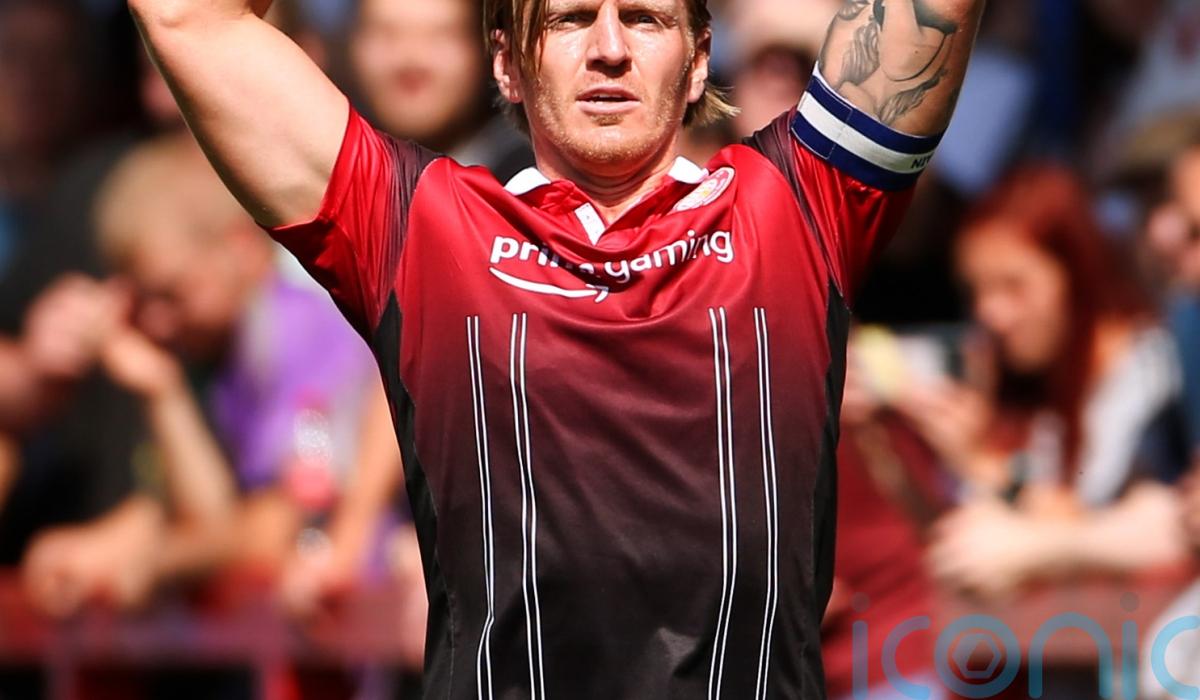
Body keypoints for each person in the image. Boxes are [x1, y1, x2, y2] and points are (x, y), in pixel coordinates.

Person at [131, 0, 985, 695]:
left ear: (698, 61)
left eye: (645, 19)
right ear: (507, 62)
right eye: (570, 19)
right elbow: (186, 17)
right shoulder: (420, 230)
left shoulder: (798, 208)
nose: (609, 49)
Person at [892, 166, 1191, 600]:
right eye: (977, 291)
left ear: (1075, 274)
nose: (991, 313)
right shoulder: (1014, 377)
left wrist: (981, 464)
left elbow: (1118, 522)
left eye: (1013, 286)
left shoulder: (1151, 373)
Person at [347, 0, 533, 180]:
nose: (411, 57)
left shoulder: (530, 186)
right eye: (387, 34)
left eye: (440, 35)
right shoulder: (338, 176)